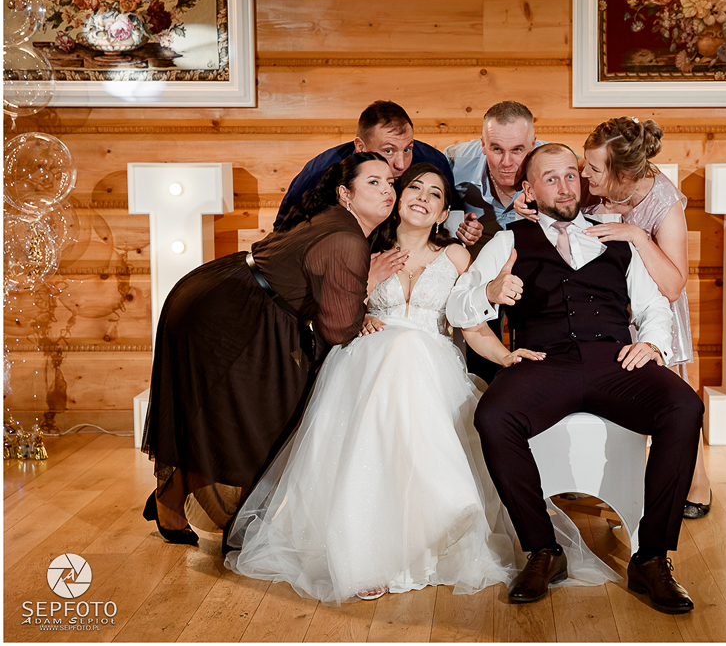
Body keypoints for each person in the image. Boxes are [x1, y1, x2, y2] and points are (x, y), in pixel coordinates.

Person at [226, 163, 615, 603]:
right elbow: (330, 309)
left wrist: (506, 356)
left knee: (409, 350)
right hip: (365, 362)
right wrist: (363, 297)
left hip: (429, 365)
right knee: (394, 362)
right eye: (415, 187)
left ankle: (427, 533)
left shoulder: (457, 257)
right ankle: (365, 552)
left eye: (435, 194)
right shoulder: (363, 247)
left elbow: (470, 325)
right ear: (398, 199)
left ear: (443, 212)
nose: (423, 198)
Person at [447, 144, 703, 614]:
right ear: (529, 189)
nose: (565, 187)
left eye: (571, 175)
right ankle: (543, 549)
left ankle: (651, 558)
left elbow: (653, 305)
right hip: (544, 361)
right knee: (494, 417)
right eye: (551, 178)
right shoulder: (508, 240)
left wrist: (653, 345)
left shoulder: (617, 236)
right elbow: (458, 306)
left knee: (685, 406)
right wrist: (489, 291)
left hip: (615, 361)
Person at [141, 152, 397, 546]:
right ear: (345, 193)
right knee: (249, 420)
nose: (387, 191)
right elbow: (338, 329)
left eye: (390, 183)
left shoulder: (338, 223)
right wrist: (368, 288)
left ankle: (172, 502)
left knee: (229, 417)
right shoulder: (348, 238)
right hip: (229, 312)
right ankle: (184, 506)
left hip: (226, 295)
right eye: (374, 182)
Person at [513, 117, 711, 519]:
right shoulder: (591, 182)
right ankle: (605, 483)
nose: (584, 175)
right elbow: (558, 199)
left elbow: (673, 286)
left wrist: (637, 236)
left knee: (671, 401)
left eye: (593, 169)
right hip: (599, 307)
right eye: (584, 166)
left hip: (649, 304)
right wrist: (526, 201)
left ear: (622, 175)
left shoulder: (664, 203)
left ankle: (696, 483)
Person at [445, 100, 542, 382]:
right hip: (479, 268)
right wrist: (456, 229)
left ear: (533, 144)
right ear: (483, 144)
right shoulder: (454, 162)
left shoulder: (552, 162)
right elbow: (433, 207)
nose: (507, 162)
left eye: (518, 150)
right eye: (496, 149)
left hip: (535, 267)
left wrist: (539, 202)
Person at [274, 100, 454, 228]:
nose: (401, 164)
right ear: (361, 147)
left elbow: (449, 218)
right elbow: (283, 228)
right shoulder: (319, 172)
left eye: (407, 149)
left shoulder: (434, 164)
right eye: (388, 151)